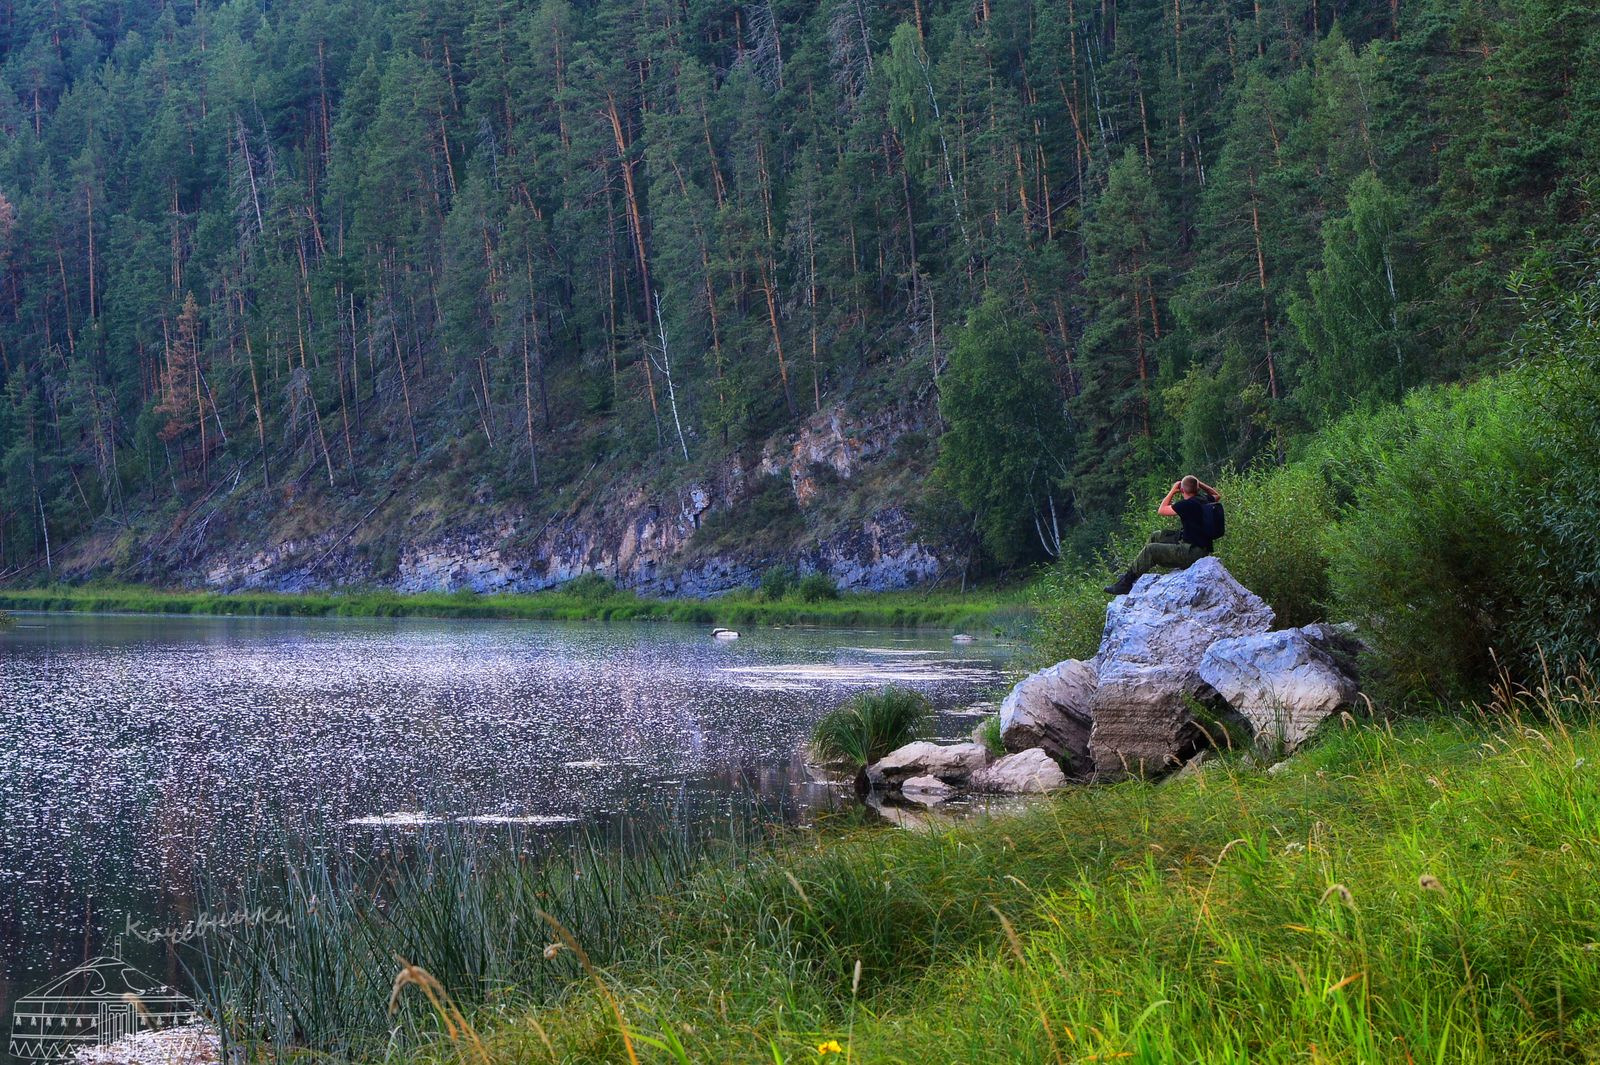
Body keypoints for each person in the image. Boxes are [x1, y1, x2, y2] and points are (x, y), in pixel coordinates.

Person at [1102, 475, 1221, 595]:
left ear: (1182, 490)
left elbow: (1161, 510)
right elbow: (1217, 495)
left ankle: (1125, 584)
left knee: (1151, 550)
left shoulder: (1186, 505)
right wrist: (1199, 484)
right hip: (1198, 548)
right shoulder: (1204, 499)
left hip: (1192, 553)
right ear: (1197, 489)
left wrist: (1173, 491)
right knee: (1156, 535)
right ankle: (1135, 571)